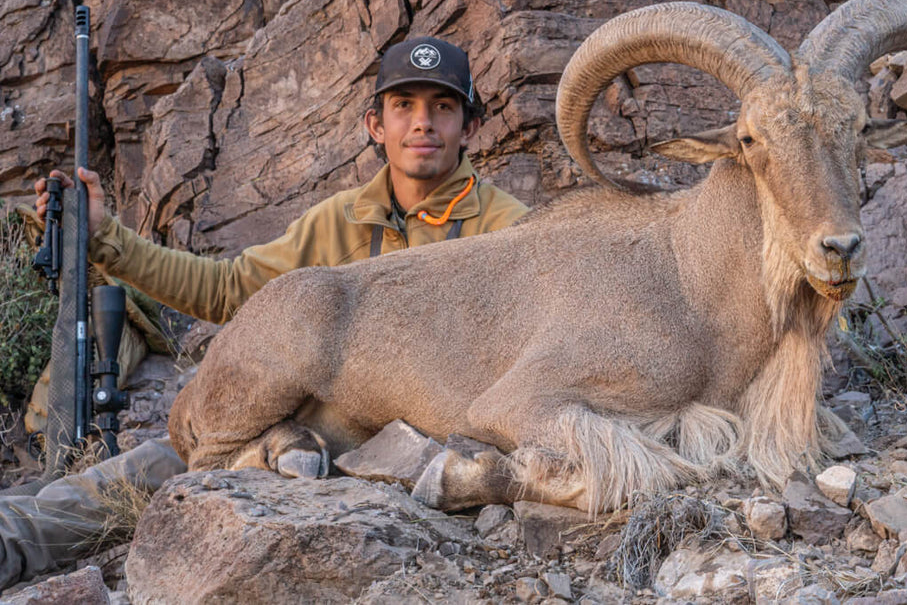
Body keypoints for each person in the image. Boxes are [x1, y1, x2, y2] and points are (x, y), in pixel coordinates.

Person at [1, 36, 529, 590]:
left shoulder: (510, 231)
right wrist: (105, 238)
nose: (423, 123)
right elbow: (228, 289)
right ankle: (14, 537)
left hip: (411, 444)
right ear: (376, 125)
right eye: (405, 106)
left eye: (442, 107)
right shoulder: (337, 222)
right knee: (124, 478)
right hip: (279, 419)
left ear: (469, 127)